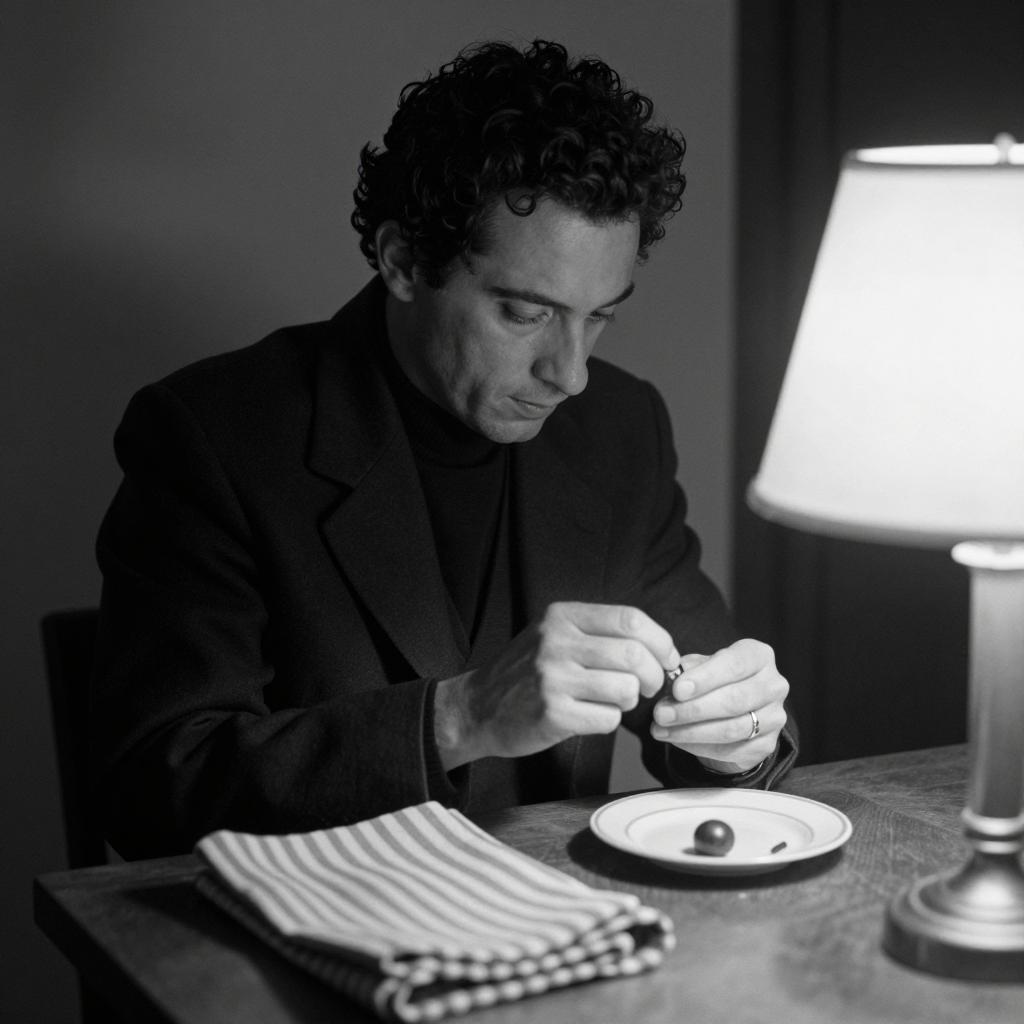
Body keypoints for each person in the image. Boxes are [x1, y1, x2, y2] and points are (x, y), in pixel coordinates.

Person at [91, 39, 796, 859]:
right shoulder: (212, 434)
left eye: (600, 315)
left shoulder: (621, 428)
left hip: (566, 921)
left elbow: (716, 712)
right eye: (525, 313)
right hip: (313, 918)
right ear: (402, 262)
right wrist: (461, 717)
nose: (569, 373)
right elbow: (152, 791)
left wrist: (736, 738)